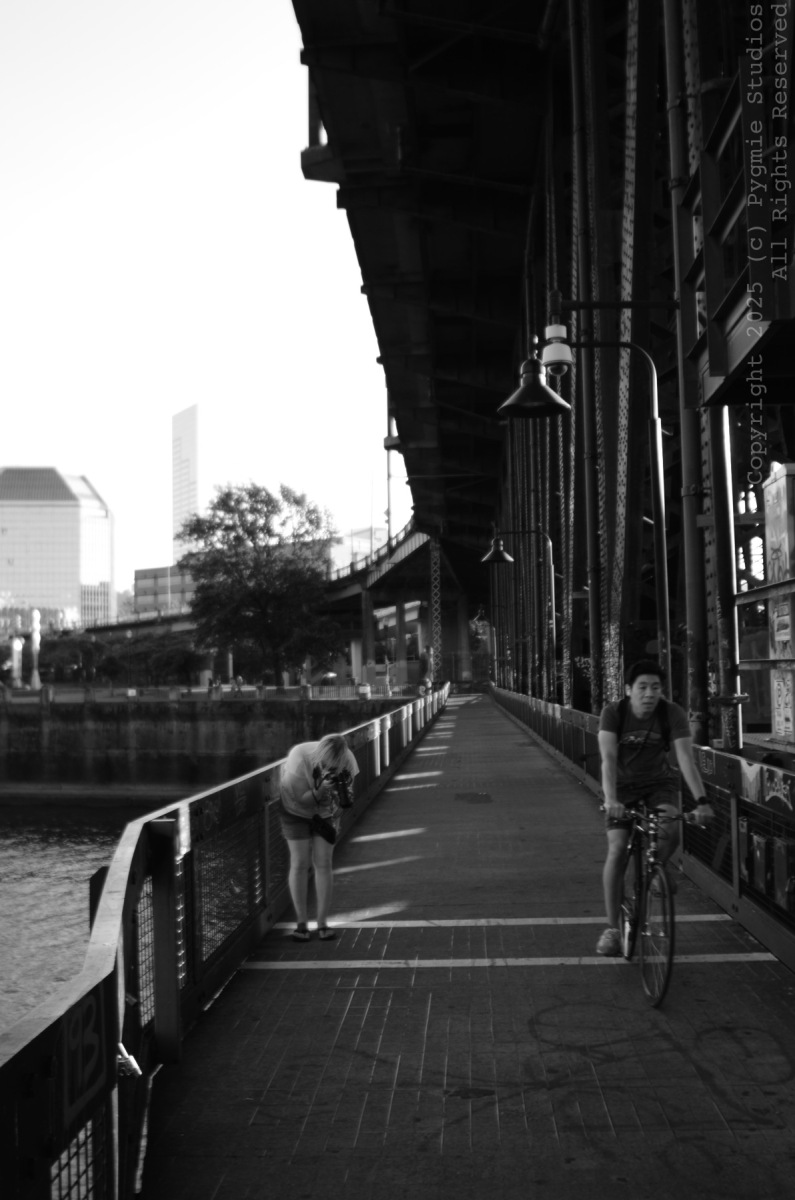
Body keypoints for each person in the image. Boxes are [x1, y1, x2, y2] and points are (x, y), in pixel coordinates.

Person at [595, 659, 713, 956]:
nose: (649, 694)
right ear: (629, 689)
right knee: (617, 848)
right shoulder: (614, 713)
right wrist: (611, 800)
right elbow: (608, 760)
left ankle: (654, 869)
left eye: (656, 688)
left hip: (659, 783)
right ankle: (612, 928)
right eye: (643, 687)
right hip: (622, 786)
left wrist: (702, 801)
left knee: (671, 829)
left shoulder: (671, 713)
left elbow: (685, 759)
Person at [279, 733, 359, 941]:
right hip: (295, 810)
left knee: (324, 863)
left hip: (324, 813)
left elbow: (347, 796)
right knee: (300, 863)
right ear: (319, 757)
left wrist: (340, 805)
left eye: (335, 767)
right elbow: (302, 799)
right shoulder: (300, 756)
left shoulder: (348, 760)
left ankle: (322, 923)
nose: (330, 769)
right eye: (326, 765)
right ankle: (302, 924)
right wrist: (322, 788)